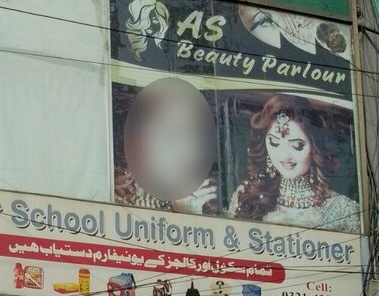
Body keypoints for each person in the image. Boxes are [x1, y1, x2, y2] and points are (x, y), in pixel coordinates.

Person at [228, 93, 360, 233]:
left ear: (315, 148)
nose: (285, 155)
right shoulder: (246, 195)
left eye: (297, 145)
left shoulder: (343, 210)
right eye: (274, 143)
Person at [115, 77, 217, 215]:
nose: (186, 149)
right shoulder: (111, 191)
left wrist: (190, 212)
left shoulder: (202, 197)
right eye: (171, 133)